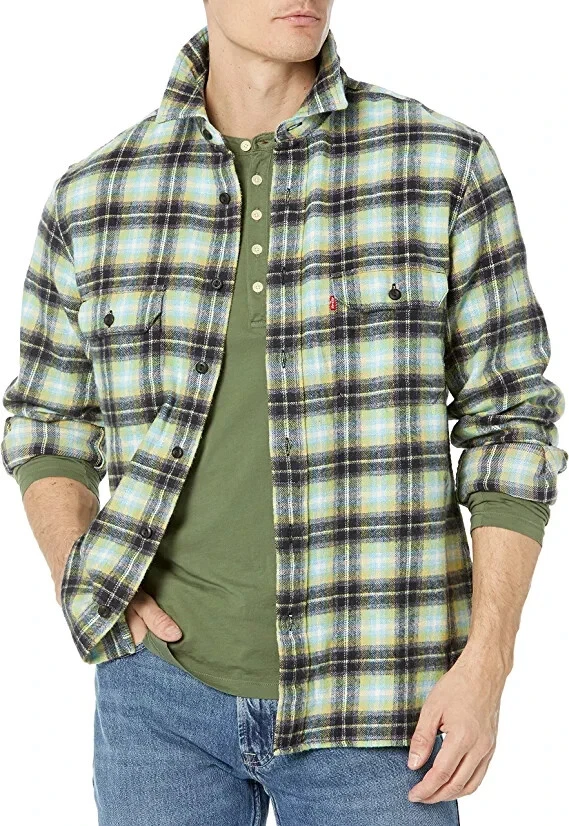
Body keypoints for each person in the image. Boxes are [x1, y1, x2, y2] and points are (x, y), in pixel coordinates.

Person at [2, 2, 566, 824]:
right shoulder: (95, 194)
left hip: (383, 704)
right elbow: (46, 421)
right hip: (158, 701)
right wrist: (85, 581)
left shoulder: (439, 164)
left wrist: (488, 664)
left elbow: (511, 420)